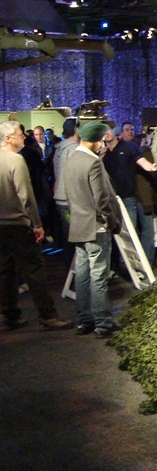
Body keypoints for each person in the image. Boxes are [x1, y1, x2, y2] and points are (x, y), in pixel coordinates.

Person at [0, 120, 74, 331]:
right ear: (7, 138)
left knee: (5, 271)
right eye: (19, 134)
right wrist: (37, 224)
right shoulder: (16, 160)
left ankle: (11, 315)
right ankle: (48, 316)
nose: (24, 136)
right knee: (35, 270)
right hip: (17, 224)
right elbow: (26, 196)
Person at [63, 120, 123, 338]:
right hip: (96, 228)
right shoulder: (94, 163)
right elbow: (102, 199)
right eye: (100, 141)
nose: (102, 145)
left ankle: (84, 320)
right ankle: (103, 323)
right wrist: (111, 222)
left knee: (81, 275)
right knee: (99, 277)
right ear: (93, 141)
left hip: (78, 226)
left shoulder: (70, 161)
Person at [102, 121, 157, 265]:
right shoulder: (104, 154)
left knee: (134, 233)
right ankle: (127, 265)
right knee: (123, 235)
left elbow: (141, 161)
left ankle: (143, 264)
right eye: (103, 131)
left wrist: (152, 167)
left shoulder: (128, 147)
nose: (106, 133)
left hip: (130, 198)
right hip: (114, 199)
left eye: (108, 130)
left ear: (114, 130)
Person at [52, 118, 80, 272]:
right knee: (73, 239)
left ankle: (70, 271)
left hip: (60, 198)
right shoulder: (74, 149)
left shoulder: (59, 148)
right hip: (70, 199)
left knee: (67, 237)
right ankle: (74, 274)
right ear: (76, 129)